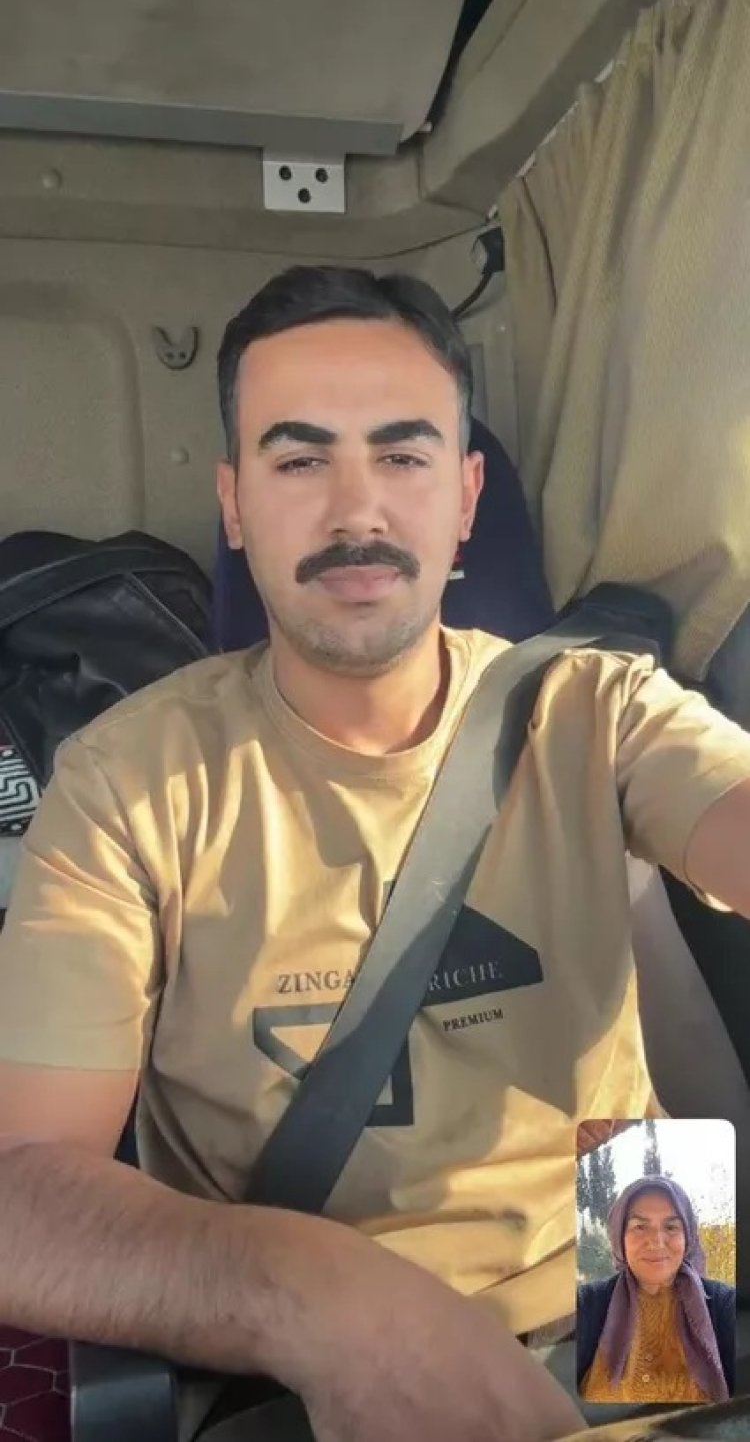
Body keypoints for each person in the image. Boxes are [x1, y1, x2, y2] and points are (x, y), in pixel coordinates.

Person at [1, 265, 750, 1440]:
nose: (358, 509)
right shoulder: (124, 780)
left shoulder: (599, 706)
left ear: (465, 497)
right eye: (299, 460)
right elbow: (20, 1192)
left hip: (640, 1299)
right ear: (234, 503)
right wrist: (314, 1299)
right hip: (287, 1358)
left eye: (403, 455)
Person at [577, 1176, 735, 1405]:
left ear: (687, 1236)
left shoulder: (724, 1305)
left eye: (671, 1227)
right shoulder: (585, 1304)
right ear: (619, 1236)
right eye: (640, 1227)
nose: (656, 1242)